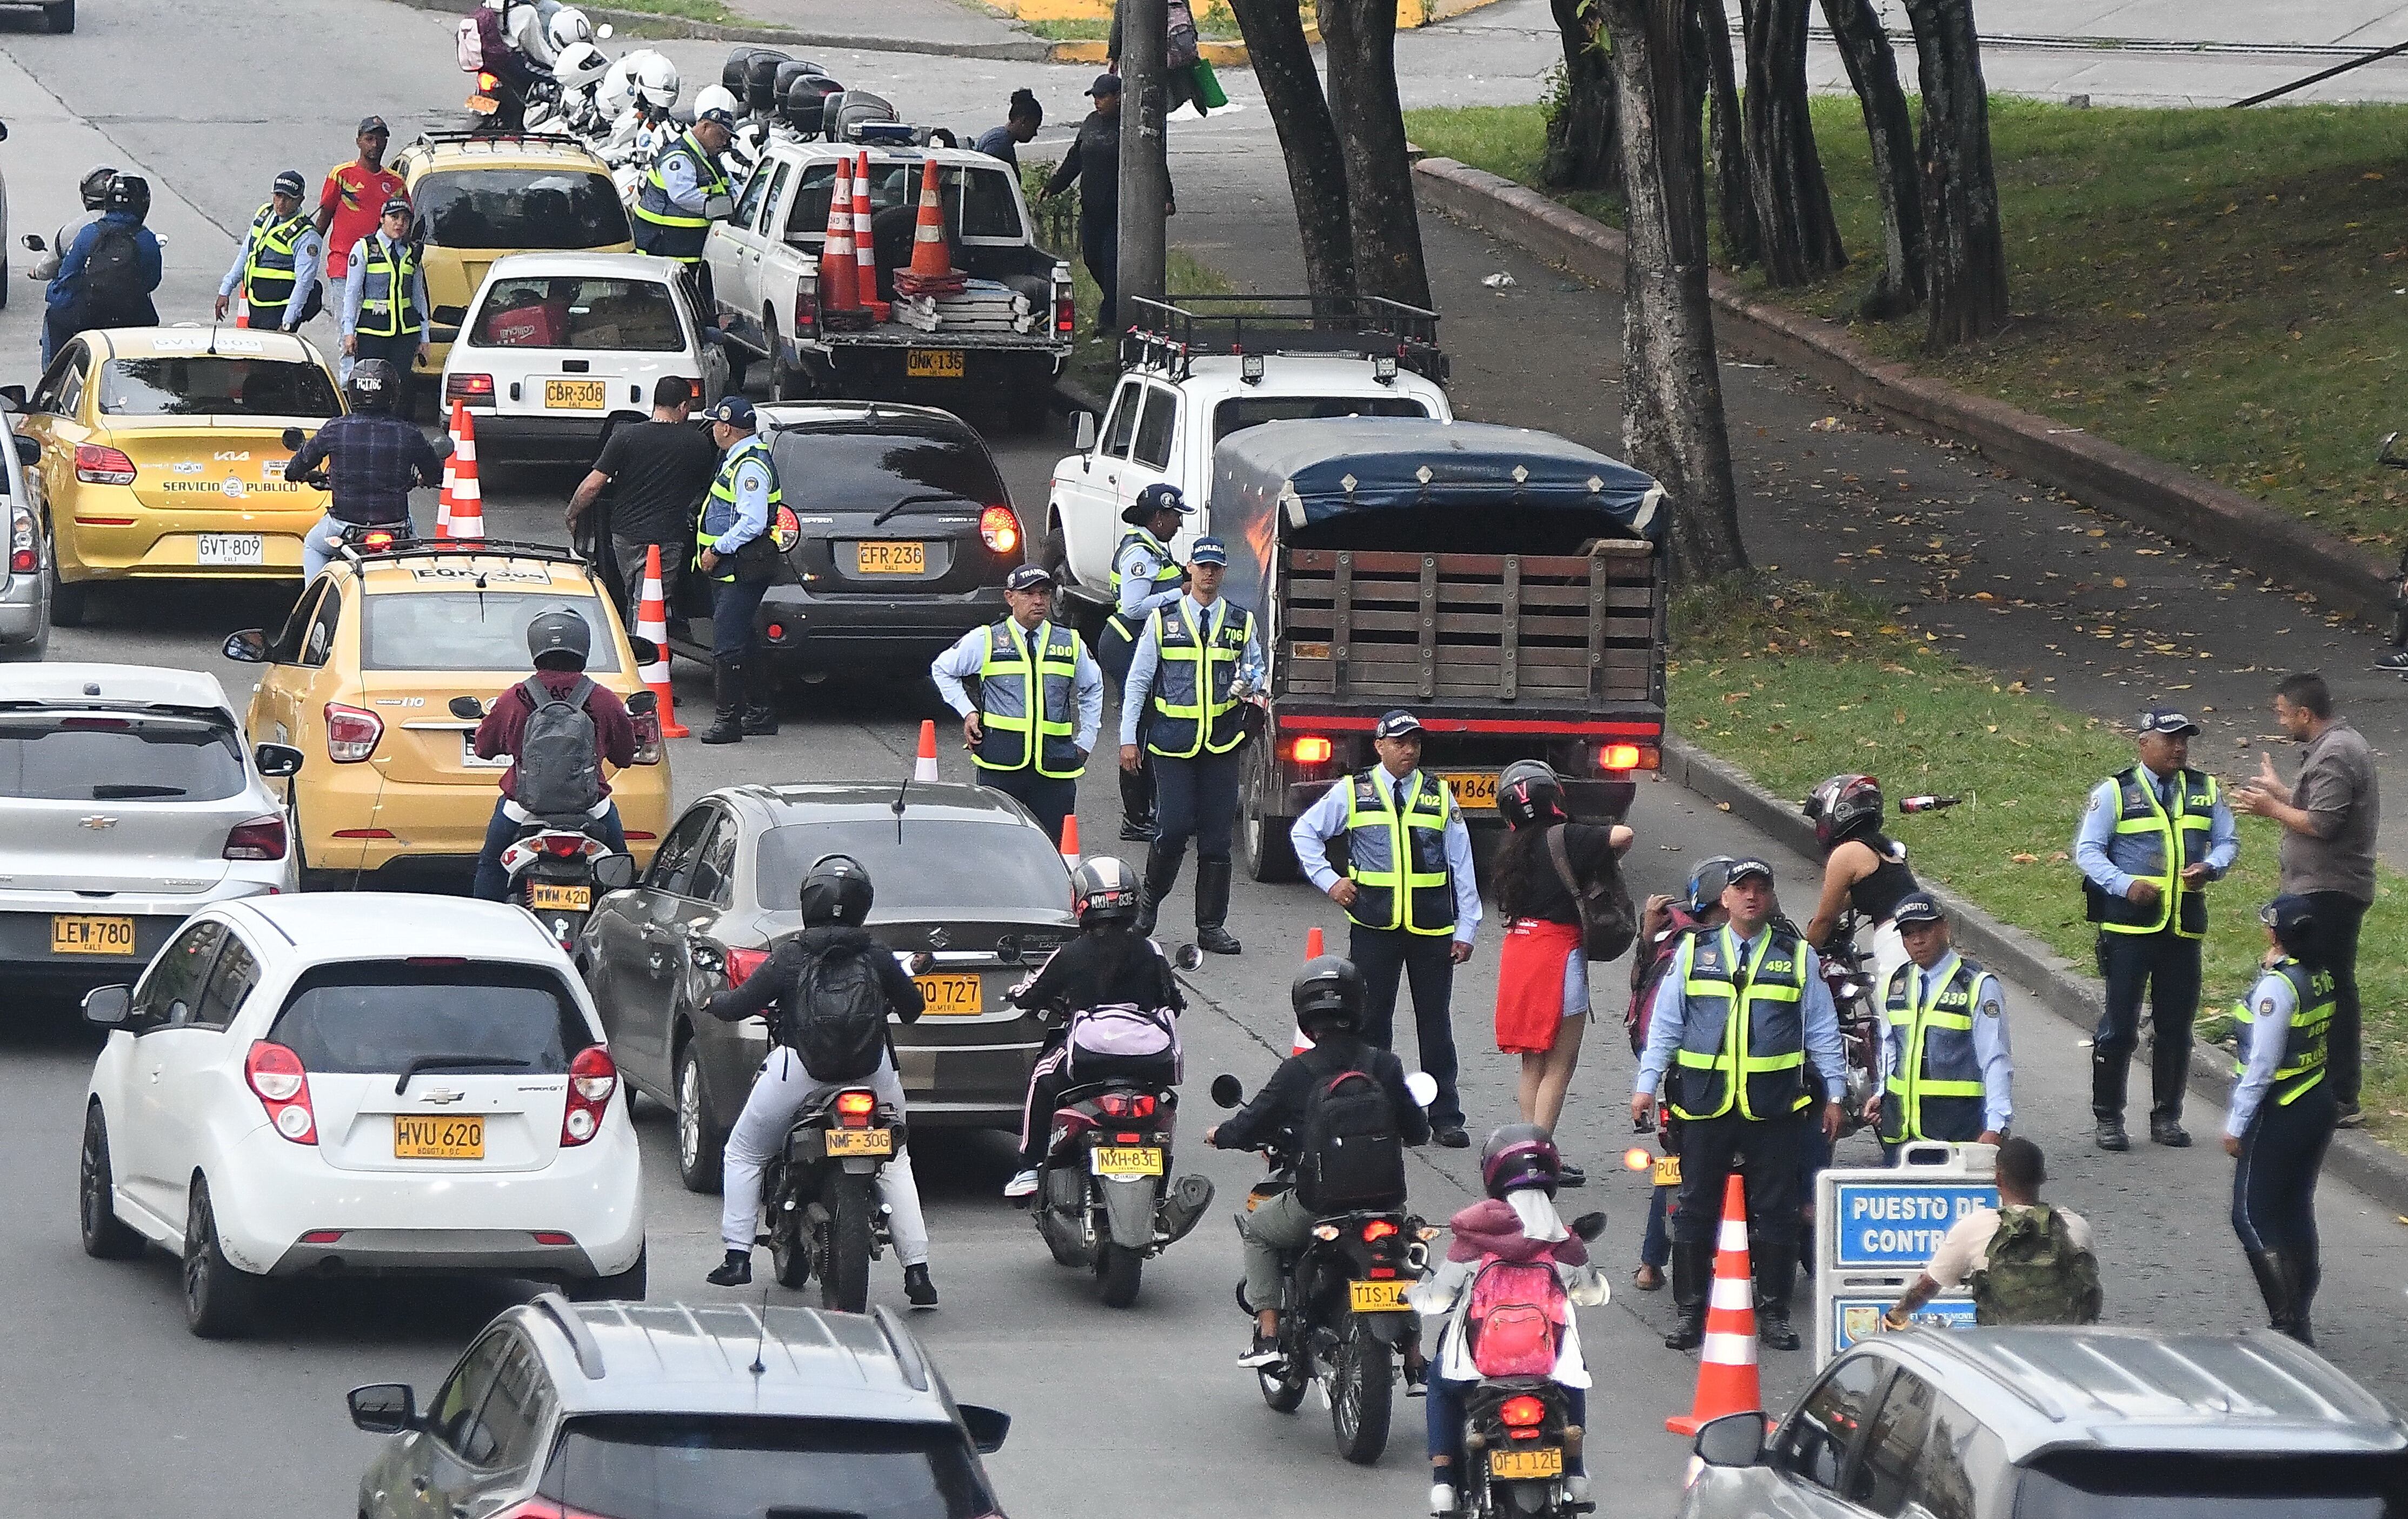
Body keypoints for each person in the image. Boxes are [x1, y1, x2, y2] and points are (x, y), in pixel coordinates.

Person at [700, 854, 940, 1309]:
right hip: (873, 1074)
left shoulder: (791, 955)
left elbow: (738, 1005)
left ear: (808, 899)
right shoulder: (878, 954)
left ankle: (736, 1254)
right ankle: (918, 1272)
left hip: (800, 1072)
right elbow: (913, 1009)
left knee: (745, 1151)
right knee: (896, 1160)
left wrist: (715, 1000)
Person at [1634, 857, 1845, 1353]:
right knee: (1694, 1206)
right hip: (1706, 1104)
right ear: (1724, 899)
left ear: (1770, 898)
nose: (1752, 896)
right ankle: (1691, 1311)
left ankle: (1772, 1311)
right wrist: (1645, 1084)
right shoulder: (1694, 952)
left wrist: (1834, 1093)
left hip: (1773, 1108)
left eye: (1761, 889)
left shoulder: (1796, 956)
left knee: (1778, 1209)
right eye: (1742, 888)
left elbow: (1821, 1029)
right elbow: (1666, 1023)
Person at [1209, 955, 1432, 1368]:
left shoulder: (1297, 1071)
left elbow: (1250, 1123)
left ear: (1305, 1014)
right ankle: (1416, 1358)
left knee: (1258, 1232)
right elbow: (1419, 1131)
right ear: (1359, 1007)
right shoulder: (1385, 1064)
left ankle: (1269, 1338)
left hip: (1318, 1204)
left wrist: (1219, 1135)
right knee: (1398, 1258)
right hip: (1385, 1204)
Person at [1291, 709, 1481, 1151]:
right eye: (1399, 743)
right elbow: (1305, 833)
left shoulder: (1438, 795)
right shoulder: (1355, 792)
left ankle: (1445, 1115)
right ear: (1380, 746)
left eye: (1414, 743)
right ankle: (1379, 1110)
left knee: (1435, 1024)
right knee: (1374, 1024)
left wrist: (1467, 925)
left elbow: (1462, 863)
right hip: (1375, 924)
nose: (1409, 750)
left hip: (1432, 926)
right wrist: (1330, 880)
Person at [1409, 1126, 1606, 1518]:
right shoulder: (1564, 1242)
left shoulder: (1473, 1238)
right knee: (1572, 1373)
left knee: (1440, 1384)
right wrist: (1592, 1283)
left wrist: (1413, 1295)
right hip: (1545, 1366)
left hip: (1480, 1366)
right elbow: (1594, 1295)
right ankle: (1576, 1475)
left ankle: (1444, 1484)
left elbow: (1438, 1300)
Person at [2073, 705, 2239, 1152]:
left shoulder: (2205, 790)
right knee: (2119, 1027)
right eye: (2171, 740)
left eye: (2185, 739)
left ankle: (2167, 1116)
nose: (2180, 748)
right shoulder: (2116, 791)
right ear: (2144, 743)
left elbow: (2228, 841)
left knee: (2176, 1028)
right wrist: (2124, 886)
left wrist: (2212, 866)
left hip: (2182, 929)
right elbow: (2088, 851)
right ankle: (2108, 1117)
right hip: (2128, 929)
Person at [2231, 673, 2378, 1130]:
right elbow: (2318, 805)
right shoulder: (2336, 746)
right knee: (2323, 984)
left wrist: (2271, 809)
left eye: (2282, 712)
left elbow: (2323, 823)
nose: (2280, 720)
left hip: (2330, 889)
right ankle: (2322, 1081)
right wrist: (2281, 791)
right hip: (2319, 885)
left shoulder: (2336, 752)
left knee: (2332, 986)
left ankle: (2340, 1091)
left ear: (2304, 713)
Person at [1002, 856, 1185, 1198]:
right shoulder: (1151, 950)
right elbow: (1172, 1001)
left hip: (1090, 1056)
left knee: (1042, 1077)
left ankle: (1028, 1167)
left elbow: (1031, 994)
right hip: (1148, 1061)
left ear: (1081, 901)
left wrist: (1017, 993)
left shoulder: (1071, 953)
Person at [1488, 759, 1634, 1182]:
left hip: (1521, 952)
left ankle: (1522, 1148)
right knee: (1561, 1063)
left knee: (1532, 1064)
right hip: (1558, 955)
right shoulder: (1568, 836)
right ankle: (1538, 1155)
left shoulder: (1511, 849)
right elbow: (1622, 834)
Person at [1121, 535, 1260, 954]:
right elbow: (1140, 680)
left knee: (1217, 838)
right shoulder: (1163, 619)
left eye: (1216, 568)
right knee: (1174, 826)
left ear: (1223, 573)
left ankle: (1211, 925)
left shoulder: (1240, 621)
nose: (1209, 574)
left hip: (1221, 743)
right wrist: (1129, 737)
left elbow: (1255, 670)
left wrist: (1247, 688)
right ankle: (1147, 908)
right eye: (1202, 567)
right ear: (1190, 569)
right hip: (1172, 744)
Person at [2225, 895, 2339, 1345]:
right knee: (2294, 1208)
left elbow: (2262, 1062)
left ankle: (2287, 1319)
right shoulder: (2318, 973)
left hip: (2279, 1107)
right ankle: (2301, 1311)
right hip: (2315, 1100)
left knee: (2250, 1214)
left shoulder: (2278, 987)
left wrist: (2236, 1122)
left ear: (2278, 935)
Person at [929, 564, 1104, 850]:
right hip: (1001, 764)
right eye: (1029, 594)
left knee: (1051, 851)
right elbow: (943, 670)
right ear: (1010, 598)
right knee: (998, 848)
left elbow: (1093, 686)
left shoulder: (1069, 642)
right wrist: (968, 711)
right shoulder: (987, 639)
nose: (1038, 601)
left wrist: (1087, 739)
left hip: (1055, 768)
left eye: (1044, 594)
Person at [468, 609, 635, 901]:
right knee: (620, 869)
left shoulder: (516, 698)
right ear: (583, 647)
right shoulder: (603, 699)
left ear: (536, 647)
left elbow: (484, 748)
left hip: (521, 807)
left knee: (491, 866)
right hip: (592, 806)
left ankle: (487, 934)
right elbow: (624, 756)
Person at [1627, 857, 1734, 1292]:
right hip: (1707, 1082)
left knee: (1675, 1166)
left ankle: (1651, 1264)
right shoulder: (1700, 949)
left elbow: (1639, 994)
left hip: (1676, 1080)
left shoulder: (1672, 940)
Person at [1880, 1136, 2099, 1330]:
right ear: (2043, 1177)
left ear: (1998, 1179)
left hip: (2001, 1350)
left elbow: (1926, 1288)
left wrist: (1896, 1316)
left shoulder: (1976, 1227)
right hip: (2066, 1349)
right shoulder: (2075, 1227)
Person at [1864, 891, 2012, 1157]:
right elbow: (1891, 1045)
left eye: (1925, 930)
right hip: (1902, 1136)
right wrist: (1883, 1094)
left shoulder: (1977, 984)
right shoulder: (1898, 982)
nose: (1917, 941)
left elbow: (1996, 1059)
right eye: (1908, 934)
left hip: (1958, 1135)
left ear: (1944, 927)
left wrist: (1997, 1125)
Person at [566, 376, 720, 629]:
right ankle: (647, 659)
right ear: (683, 406)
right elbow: (704, 491)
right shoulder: (698, 444)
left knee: (634, 596)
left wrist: (572, 514)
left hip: (624, 538)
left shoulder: (626, 437)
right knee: (649, 601)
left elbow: (592, 486)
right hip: (667, 539)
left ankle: (634, 648)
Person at [287, 360, 446, 581]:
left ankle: (312, 607)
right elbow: (436, 473)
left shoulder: (335, 429)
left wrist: (299, 474)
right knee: (417, 563)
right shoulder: (408, 433)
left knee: (314, 547)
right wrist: (423, 479)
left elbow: (297, 466)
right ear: (393, 394)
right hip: (397, 529)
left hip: (343, 529)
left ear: (352, 393)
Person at [1039, 75, 1173, 334]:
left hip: (1118, 210)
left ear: (1118, 97)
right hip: (1091, 208)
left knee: (1111, 261)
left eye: (1102, 97)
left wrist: (1166, 197)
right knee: (1092, 259)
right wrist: (1054, 186)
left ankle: (1110, 319)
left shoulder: (1129, 126)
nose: (1097, 102)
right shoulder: (1091, 124)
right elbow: (1075, 158)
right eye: (1095, 98)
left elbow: (1155, 161)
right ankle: (1115, 302)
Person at [1102, 483, 1192, 841]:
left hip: (1137, 644)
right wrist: (1180, 593)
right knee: (1136, 726)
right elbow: (1134, 605)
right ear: (1158, 517)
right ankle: (1136, 818)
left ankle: (1149, 808)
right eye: (1175, 517)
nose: (1179, 525)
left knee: (1147, 723)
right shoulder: (1139, 554)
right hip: (1126, 644)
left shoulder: (1155, 547)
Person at [693, 396, 781, 744]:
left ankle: (728, 721)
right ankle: (760, 713)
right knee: (742, 637)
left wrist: (717, 548)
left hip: (739, 566)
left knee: (727, 643)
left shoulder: (750, 467)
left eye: (715, 422)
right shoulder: (738, 459)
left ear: (726, 427)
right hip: (733, 569)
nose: (714, 428)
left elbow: (752, 522)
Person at [1801, 772, 1919, 994]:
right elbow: (1851, 900)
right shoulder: (1884, 850)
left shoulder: (1848, 853)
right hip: (1920, 937)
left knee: (1892, 1021)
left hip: (1897, 942)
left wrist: (1802, 958)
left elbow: (1825, 919)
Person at [44, 175, 161, 363]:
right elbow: (152, 281)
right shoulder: (147, 240)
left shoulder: (89, 233)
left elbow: (68, 276)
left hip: (86, 317)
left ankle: (52, 382)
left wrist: (54, 293)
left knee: (55, 312)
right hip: (133, 318)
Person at [633, 104, 737, 277]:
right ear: (705, 127)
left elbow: (728, 186)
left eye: (727, 137)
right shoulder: (679, 156)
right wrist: (724, 207)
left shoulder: (709, 158)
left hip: (685, 250)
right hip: (663, 249)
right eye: (721, 134)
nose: (725, 141)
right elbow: (683, 195)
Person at [342, 198, 430, 399]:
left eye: (405, 220)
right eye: (394, 218)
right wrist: (348, 332)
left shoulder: (411, 252)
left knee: (399, 386)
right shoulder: (364, 248)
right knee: (370, 385)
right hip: (372, 331)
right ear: (382, 219)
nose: (400, 224)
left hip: (405, 334)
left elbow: (419, 298)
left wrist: (424, 337)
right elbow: (352, 293)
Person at [216, 170, 323, 334]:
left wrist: (287, 323)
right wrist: (226, 290)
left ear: (301, 200)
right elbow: (246, 252)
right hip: (256, 305)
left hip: (280, 311)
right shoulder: (264, 215)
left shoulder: (307, 236)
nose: (281, 203)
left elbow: (304, 283)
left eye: (289, 198)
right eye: (278, 196)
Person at [32, 165, 116, 363]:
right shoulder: (141, 232)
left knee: (55, 317)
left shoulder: (76, 230)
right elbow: (152, 277)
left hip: (80, 309)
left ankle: (52, 382)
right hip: (130, 309)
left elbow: (49, 268)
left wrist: (36, 273)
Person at [315, 118, 405, 294]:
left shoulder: (396, 183)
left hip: (381, 269)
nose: (375, 144)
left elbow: (405, 225)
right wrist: (309, 256)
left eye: (380, 139)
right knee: (348, 320)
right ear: (358, 142)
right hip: (344, 266)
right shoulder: (341, 175)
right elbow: (324, 217)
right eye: (369, 139)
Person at [974, 89, 1043, 168]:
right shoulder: (1000, 145)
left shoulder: (998, 136)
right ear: (1023, 121)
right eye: (1034, 127)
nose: (1035, 133)